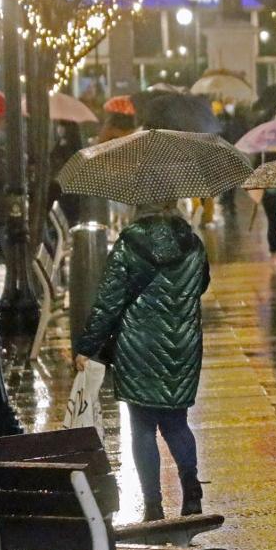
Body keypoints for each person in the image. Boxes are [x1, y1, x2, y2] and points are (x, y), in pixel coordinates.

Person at [74, 201, 210, 521]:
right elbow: (202, 284)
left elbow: (109, 300)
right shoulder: (192, 243)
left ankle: (153, 505)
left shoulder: (129, 244)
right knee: (176, 423)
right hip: (182, 344)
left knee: (143, 427)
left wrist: (88, 346)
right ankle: (191, 488)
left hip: (138, 345)